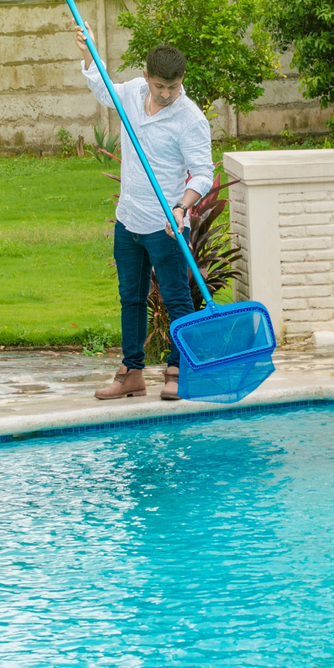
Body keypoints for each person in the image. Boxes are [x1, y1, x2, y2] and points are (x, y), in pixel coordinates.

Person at [80, 39, 213, 401]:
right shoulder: (133, 94)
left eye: (173, 86)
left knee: (177, 300)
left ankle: (178, 369)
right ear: (146, 77)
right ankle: (131, 373)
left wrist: (181, 208)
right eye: (160, 87)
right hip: (129, 220)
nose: (167, 93)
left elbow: (203, 173)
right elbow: (103, 89)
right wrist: (90, 53)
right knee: (131, 299)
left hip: (166, 224)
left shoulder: (191, 119)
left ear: (182, 80)